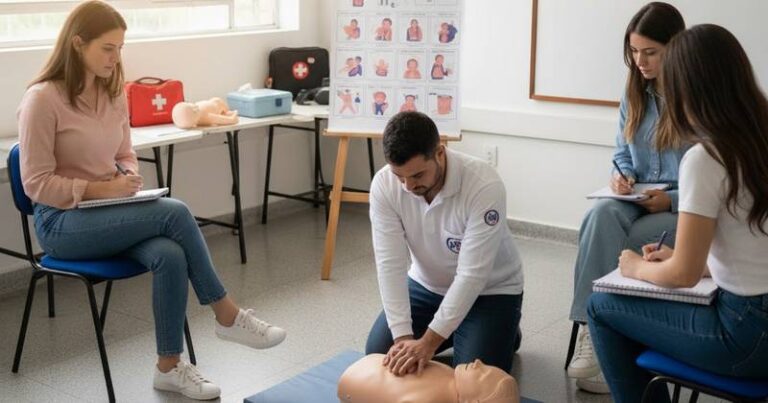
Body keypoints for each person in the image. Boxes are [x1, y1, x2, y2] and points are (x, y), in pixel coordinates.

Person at [16, 2, 286, 400]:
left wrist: (126, 176)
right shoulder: (43, 99)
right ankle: (227, 314)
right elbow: (35, 183)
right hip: (61, 224)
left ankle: (168, 366)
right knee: (174, 212)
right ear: (77, 44)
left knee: (168, 253)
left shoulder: (112, 94)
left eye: (120, 48)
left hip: (108, 213)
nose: (116, 58)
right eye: (108, 48)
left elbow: (124, 154)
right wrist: (97, 190)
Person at [588, 24, 768, 402]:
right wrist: (689, 260)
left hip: (746, 335)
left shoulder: (705, 158)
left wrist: (636, 268)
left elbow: (682, 275)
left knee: (602, 306)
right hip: (758, 320)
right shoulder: (758, 136)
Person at [566, 2, 687, 394]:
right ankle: (592, 330)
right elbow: (622, 152)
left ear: (677, 47)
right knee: (599, 216)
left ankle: (608, 340)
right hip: (635, 198)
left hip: (682, 208)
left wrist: (670, 200)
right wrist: (623, 176)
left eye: (650, 52)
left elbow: (720, 179)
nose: (640, 62)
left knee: (617, 235)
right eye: (634, 52)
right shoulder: (635, 91)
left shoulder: (698, 99)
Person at [365, 112, 524, 375]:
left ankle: (503, 331)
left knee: (472, 377)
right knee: (379, 356)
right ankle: (463, 330)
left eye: (417, 175)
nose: (407, 186)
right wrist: (403, 339)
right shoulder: (384, 184)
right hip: (426, 286)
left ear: (440, 152)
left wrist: (428, 343)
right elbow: (389, 264)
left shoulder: (484, 184)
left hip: (491, 292)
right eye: (399, 176)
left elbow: (472, 275)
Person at [338, 354, 520, 403]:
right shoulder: (450, 375)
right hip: (360, 373)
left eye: (483, 374)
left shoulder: (431, 398)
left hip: (351, 382)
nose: (479, 363)